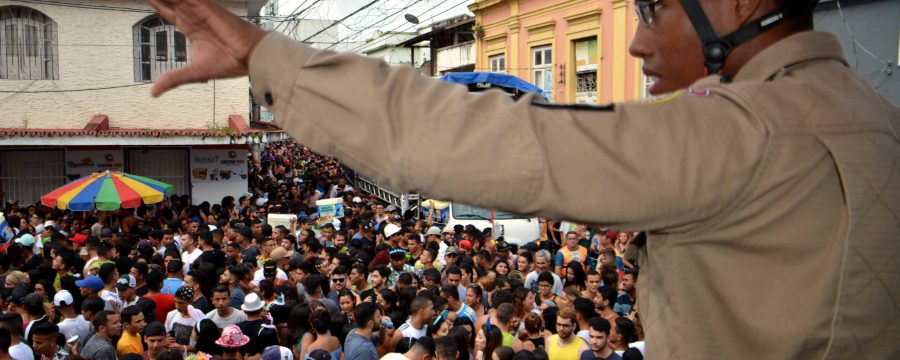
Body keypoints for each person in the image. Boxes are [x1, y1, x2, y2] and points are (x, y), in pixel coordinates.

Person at [145, 0, 899, 358]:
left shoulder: (740, 129)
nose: (635, 41)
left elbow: (491, 136)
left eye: (655, 7)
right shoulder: (877, 119)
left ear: (742, 5)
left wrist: (268, 58)